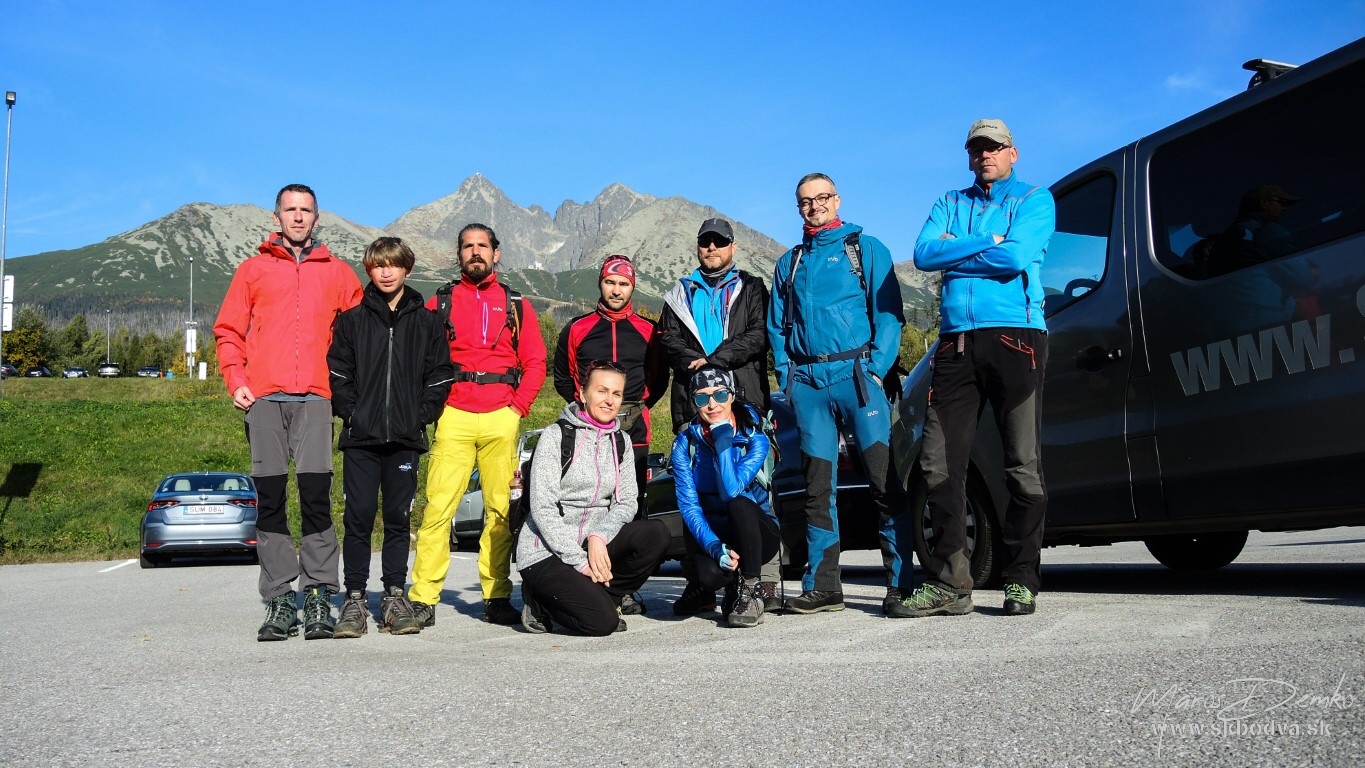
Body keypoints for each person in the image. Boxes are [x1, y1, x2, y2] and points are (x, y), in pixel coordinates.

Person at [902, 118, 1055, 618]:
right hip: (955, 345)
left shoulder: (1035, 200)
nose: (985, 155)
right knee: (937, 461)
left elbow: (1015, 258)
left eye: (995, 148)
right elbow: (925, 254)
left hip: (1017, 337)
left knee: (1020, 463)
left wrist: (961, 248)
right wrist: (987, 239)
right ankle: (950, 583)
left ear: (1013, 153)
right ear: (969, 157)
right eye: (977, 149)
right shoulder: (950, 200)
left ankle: (1021, 579)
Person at [214, 183, 363, 641]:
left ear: (317, 218)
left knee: (316, 498)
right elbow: (228, 331)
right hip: (263, 400)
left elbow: (359, 338)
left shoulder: (338, 274)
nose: (298, 217)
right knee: (272, 501)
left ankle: (319, 594)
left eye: (306, 210)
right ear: (276, 217)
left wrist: (349, 391)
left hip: (318, 400)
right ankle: (280, 597)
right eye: (290, 210)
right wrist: (237, 380)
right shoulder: (253, 270)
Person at [767, 173, 912, 615]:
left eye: (822, 198)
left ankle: (902, 582)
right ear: (799, 208)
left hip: (857, 379)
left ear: (837, 199)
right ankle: (824, 585)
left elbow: (889, 316)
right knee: (816, 489)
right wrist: (786, 377)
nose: (815, 206)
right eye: (806, 202)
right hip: (808, 386)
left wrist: (875, 369)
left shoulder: (865, 249)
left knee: (883, 480)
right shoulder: (787, 263)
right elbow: (777, 327)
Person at [408, 223, 548, 627]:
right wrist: (433, 406)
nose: (475, 253)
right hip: (453, 416)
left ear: (496, 253)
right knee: (438, 510)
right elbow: (420, 359)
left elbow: (535, 361)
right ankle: (424, 597)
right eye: (467, 246)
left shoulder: (516, 303)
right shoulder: (441, 302)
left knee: (499, 512)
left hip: (501, 417)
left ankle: (496, 595)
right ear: (459, 255)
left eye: (482, 246)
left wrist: (517, 408)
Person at [326, 237, 454, 638]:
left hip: (404, 439)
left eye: (393, 265)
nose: (385, 272)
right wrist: (353, 414)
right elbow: (339, 375)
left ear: (407, 270)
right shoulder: (351, 321)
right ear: (369, 269)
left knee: (398, 520)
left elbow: (441, 376)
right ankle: (355, 600)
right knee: (358, 517)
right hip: (361, 440)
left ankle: (396, 598)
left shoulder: (428, 322)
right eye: (378, 265)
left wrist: (420, 416)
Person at [658, 217, 777, 616]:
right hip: (693, 404)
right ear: (698, 248)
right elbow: (667, 338)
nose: (712, 249)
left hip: (743, 402)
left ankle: (761, 583)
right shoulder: (679, 292)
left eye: (719, 243)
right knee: (696, 490)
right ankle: (703, 583)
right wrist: (696, 365)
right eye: (705, 243)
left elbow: (761, 334)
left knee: (753, 488)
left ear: (732, 248)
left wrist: (716, 363)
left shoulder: (752, 287)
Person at [517, 361, 671, 636]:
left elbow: (627, 503)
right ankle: (540, 600)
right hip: (546, 550)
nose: (609, 400)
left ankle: (607, 600)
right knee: (602, 625)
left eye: (616, 394)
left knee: (655, 533)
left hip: (592, 544)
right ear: (583, 392)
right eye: (602, 391)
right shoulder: (556, 436)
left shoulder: (621, 441)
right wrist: (580, 562)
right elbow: (542, 508)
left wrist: (599, 535)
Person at [553, 254, 669, 615]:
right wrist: (590, 408)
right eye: (610, 282)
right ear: (600, 284)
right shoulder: (578, 328)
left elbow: (658, 378)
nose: (616, 290)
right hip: (588, 429)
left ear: (632, 287)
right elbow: (563, 375)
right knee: (588, 500)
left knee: (631, 507)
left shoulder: (650, 331)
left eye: (623, 284)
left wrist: (634, 406)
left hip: (633, 429)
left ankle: (625, 586)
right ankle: (584, 572)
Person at [670, 367, 779, 628]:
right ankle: (729, 586)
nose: (711, 404)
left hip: (757, 532)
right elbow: (688, 506)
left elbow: (731, 490)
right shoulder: (684, 443)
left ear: (732, 396)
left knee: (739, 504)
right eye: (701, 398)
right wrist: (713, 547)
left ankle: (751, 589)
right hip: (716, 531)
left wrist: (723, 441)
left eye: (719, 395)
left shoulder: (755, 437)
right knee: (709, 577)